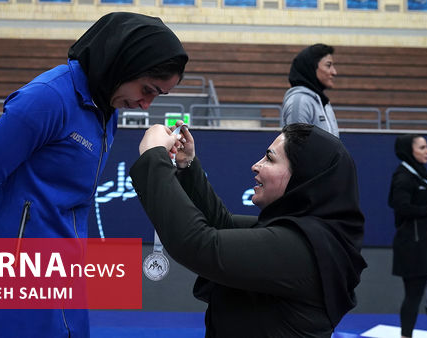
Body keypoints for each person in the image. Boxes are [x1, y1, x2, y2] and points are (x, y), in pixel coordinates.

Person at [0, 12, 188, 337]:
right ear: (120, 64)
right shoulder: (46, 99)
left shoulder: (106, 112)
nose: (146, 104)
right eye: (146, 89)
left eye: (158, 95)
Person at [130, 122, 366, 337]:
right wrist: (187, 163)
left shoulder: (301, 248)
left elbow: (197, 244)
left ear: (304, 177)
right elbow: (222, 225)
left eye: (270, 159)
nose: (256, 166)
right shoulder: (310, 235)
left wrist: (154, 157)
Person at [388, 134, 427, 338]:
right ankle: (406, 335)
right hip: (412, 247)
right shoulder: (403, 176)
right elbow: (401, 207)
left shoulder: (420, 172)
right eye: (423, 147)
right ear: (410, 150)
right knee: (413, 296)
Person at [281, 43, 339, 137]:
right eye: (328, 65)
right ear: (312, 67)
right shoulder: (299, 101)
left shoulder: (323, 103)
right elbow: (297, 147)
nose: (334, 72)